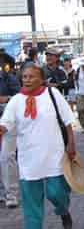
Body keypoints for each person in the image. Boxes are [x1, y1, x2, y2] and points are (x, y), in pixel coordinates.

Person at [0, 63, 76, 229]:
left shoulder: (52, 94)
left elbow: (68, 121)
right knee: (31, 205)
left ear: (41, 79)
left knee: (58, 193)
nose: (27, 80)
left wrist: (71, 144)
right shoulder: (16, 100)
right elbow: (5, 124)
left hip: (54, 156)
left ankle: (63, 210)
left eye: (31, 76)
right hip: (29, 160)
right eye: (24, 77)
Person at [0, 52, 20, 208]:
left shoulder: (8, 77)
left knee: (7, 157)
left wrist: (6, 99)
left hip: (7, 122)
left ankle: (11, 194)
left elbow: (19, 97)